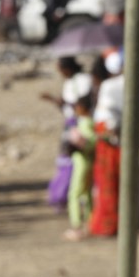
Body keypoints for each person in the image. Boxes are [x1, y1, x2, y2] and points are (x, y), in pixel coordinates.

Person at [40, 56, 92, 212]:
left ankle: (76, 197)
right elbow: (67, 108)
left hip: (80, 124)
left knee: (76, 160)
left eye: (61, 69)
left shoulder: (83, 80)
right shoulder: (70, 82)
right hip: (70, 123)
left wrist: (63, 103)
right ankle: (65, 196)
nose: (60, 73)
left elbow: (82, 103)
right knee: (66, 159)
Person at [90, 51, 124, 237]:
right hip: (118, 140)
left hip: (108, 142)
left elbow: (107, 115)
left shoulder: (109, 86)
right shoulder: (131, 82)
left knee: (107, 183)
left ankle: (107, 224)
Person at [63, 93, 97, 241]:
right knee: (86, 194)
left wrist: (77, 145)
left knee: (75, 194)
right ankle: (90, 223)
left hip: (83, 163)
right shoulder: (88, 122)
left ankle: (76, 225)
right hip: (86, 162)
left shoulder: (85, 123)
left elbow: (90, 142)